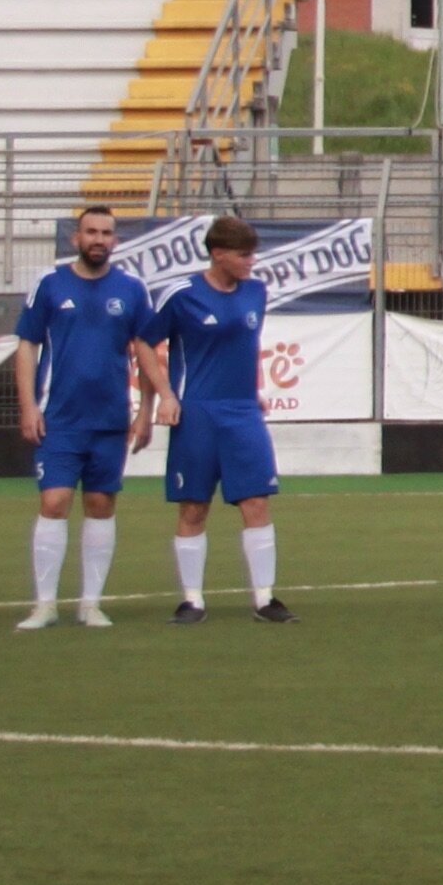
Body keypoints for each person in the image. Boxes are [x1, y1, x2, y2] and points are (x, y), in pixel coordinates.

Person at [13, 202, 151, 629]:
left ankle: (90, 603)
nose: (98, 240)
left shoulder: (131, 289)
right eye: (91, 232)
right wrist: (28, 405)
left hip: (110, 418)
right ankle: (45, 604)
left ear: (115, 240)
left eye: (106, 233)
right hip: (60, 418)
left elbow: (145, 351)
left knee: (100, 503)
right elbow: (26, 346)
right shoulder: (50, 284)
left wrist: (145, 410)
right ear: (76, 238)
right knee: (54, 501)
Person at [149, 218, 290, 623]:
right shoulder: (181, 294)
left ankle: (264, 599)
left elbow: (247, 344)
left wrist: (254, 388)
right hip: (197, 413)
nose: (252, 261)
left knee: (256, 501)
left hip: (243, 411)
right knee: (194, 507)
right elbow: (144, 341)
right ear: (218, 254)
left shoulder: (256, 292)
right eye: (244, 254)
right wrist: (166, 394)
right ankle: (192, 600)